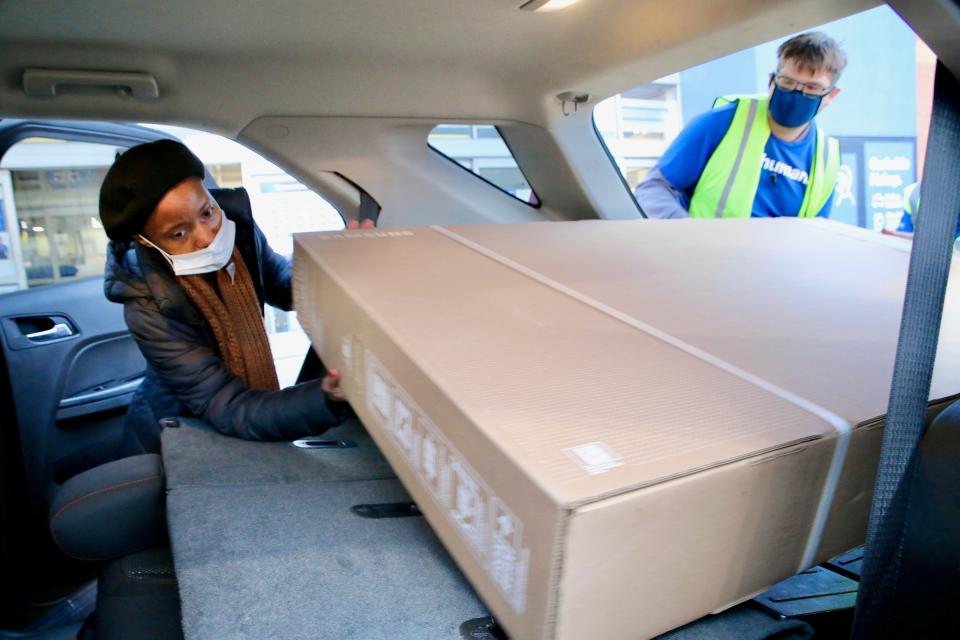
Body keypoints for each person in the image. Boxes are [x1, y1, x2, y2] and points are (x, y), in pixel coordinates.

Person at [99, 139, 347, 454]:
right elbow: (227, 405)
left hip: (238, 419)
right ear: (145, 242)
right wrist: (325, 395)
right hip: (178, 433)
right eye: (179, 233)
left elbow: (284, 284)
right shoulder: (147, 306)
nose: (207, 236)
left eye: (206, 212)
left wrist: (340, 264)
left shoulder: (236, 229)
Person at [635, 32, 846, 219]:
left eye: (811, 88)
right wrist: (688, 233)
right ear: (772, 81)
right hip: (707, 258)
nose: (796, 93)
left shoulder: (827, 157)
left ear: (831, 95)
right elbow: (653, 188)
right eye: (788, 83)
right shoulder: (721, 123)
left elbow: (816, 232)